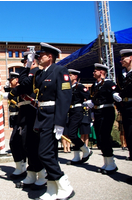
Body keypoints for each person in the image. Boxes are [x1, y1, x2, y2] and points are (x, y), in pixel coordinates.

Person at [30, 43, 74, 200]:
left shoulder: (59, 70)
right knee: (50, 154)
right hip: (42, 116)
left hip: (52, 117)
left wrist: (60, 122)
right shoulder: (42, 74)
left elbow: (64, 97)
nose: (38, 57)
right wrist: (29, 65)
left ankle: (64, 184)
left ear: (49, 57)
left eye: (40, 55)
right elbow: (29, 82)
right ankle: (52, 188)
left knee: (44, 153)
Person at [9, 50, 47, 189]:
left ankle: (42, 174)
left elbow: (23, 84)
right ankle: (31, 173)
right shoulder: (30, 73)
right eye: (25, 62)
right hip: (25, 113)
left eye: (28, 61)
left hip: (33, 113)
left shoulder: (36, 72)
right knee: (26, 145)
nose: (26, 64)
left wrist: (11, 93)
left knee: (33, 145)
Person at [85, 63, 122, 175]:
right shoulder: (95, 85)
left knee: (105, 136)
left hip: (107, 111)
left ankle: (111, 163)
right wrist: (91, 103)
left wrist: (115, 94)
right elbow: (94, 98)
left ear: (101, 72)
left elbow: (114, 92)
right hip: (98, 112)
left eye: (95, 71)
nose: (93, 73)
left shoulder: (108, 83)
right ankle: (107, 162)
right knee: (100, 138)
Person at [117, 49, 132, 185]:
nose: (121, 60)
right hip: (127, 107)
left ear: (131, 58)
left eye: (123, 58)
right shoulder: (124, 75)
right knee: (131, 139)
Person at [66, 69, 92, 165]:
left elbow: (88, 96)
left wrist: (87, 103)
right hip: (70, 111)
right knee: (72, 134)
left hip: (77, 111)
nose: (68, 77)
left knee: (72, 133)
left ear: (75, 77)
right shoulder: (69, 87)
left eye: (71, 75)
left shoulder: (80, 86)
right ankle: (76, 156)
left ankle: (86, 150)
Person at [4, 71, 27, 179]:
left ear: (16, 80)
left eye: (11, 79)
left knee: (16, 143)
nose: (9, 82)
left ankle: (22, 167)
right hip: (14, 120)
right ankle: (21, 166)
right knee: (17, 143)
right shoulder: (12, 91)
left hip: (21, 119)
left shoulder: (20, 90)